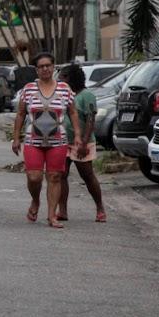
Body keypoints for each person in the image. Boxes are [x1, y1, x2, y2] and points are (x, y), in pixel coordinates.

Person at [11, 52, 82, 229]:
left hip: (58, 140)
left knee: (55, 176)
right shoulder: (28, 89)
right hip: (32, 139)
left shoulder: (64, 89)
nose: (45, 69)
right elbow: (20, 114)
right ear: (37, 70)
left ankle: (52, 216)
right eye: (41, 66)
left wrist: (78, 135)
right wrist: (16, 138)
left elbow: (73, 112)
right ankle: (35, 200)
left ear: (53, 67)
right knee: (34, 177)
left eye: (48, 65)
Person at [56, 64, 106, 223]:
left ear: (71, 78)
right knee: (61, 175)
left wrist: (83, 143)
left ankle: (100, 207)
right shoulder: (63, 95)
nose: (59, 79)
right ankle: (62, 210)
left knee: (87, 175)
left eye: (63, 76)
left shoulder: (86, 96)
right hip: (64, 141)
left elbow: (90, 121)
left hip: (82, 142)